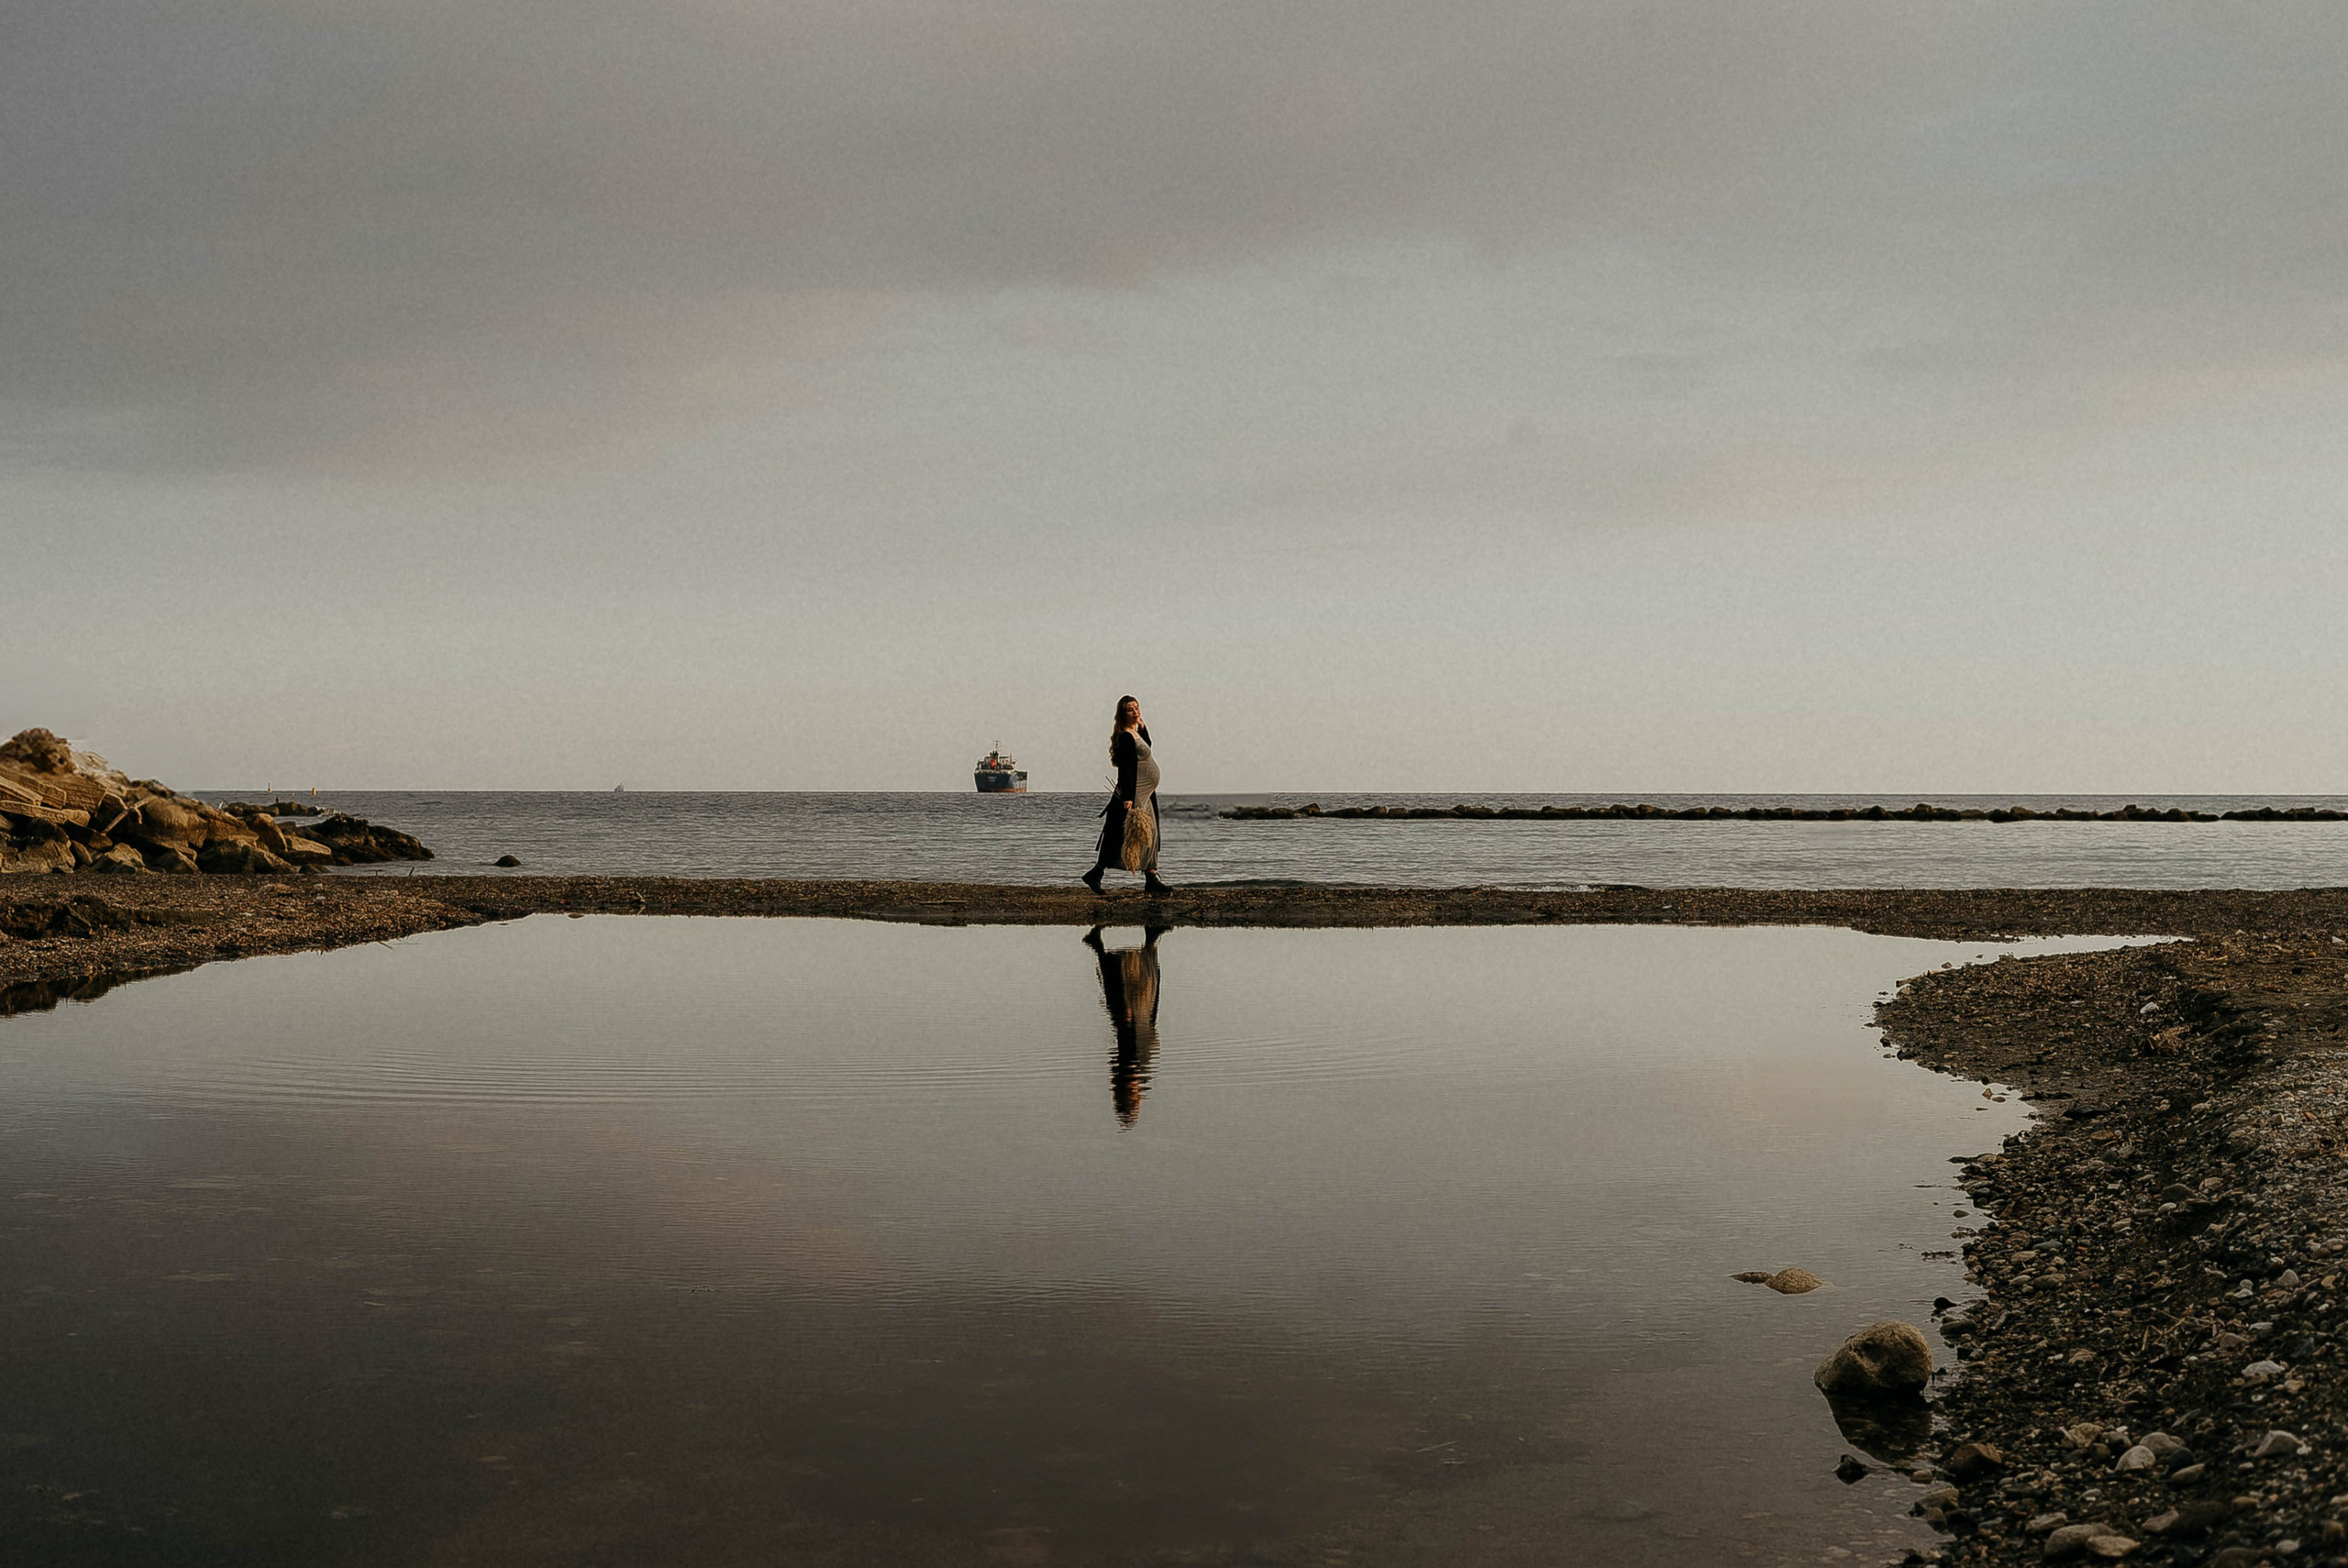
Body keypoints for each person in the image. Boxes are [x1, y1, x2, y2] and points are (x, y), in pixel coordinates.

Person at [1082, 694, 1170, 895]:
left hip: (1146, 792)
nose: (1135, 711)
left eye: (1137, 708)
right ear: (1123, 714)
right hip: (1136, 791)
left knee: (1151, 832)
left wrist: (1142, 724)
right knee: (1130, 834)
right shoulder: (1125, 736)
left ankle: (1151, 878)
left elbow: (1148, 746)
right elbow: (1127, 768)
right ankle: (1096, 873)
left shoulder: (1136, 733)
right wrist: (1129, 797)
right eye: (1131, 709)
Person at [1083, 924, 1166, 1126]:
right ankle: (1147, 942)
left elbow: (1127, 1049)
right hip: (1138, 1034)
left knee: (1130, 1002)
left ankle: (1103, 946)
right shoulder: (1134, 1079)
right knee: (1139, 1001)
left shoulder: (1129, 1078)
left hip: (1134, 1033)